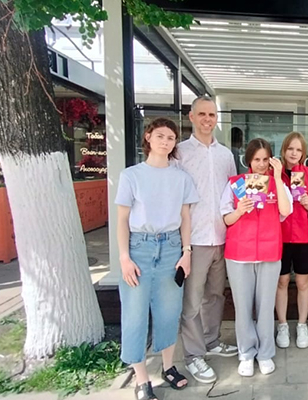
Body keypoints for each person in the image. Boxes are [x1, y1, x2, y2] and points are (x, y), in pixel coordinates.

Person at [115, 118, 199, 400]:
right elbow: (122, 219)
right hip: (139, 247)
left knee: (169, 312)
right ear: (148, 137)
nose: (165, 141)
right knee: (135, 313)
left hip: (172, 246)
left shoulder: (181, 177)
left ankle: (168, 366)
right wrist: (124, 257)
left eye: (171, 138)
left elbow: (185, 217)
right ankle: (141, 379)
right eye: (160, 136)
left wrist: (186, 252)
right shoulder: (131, 175)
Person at [175, 96, 238, 385]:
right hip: (194, 238)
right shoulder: (180, 152)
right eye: (202, 114)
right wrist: (183, 244)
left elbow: (234, 194)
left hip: (223, 237)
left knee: (215, 295)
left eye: (211, 114)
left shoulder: (226, 155)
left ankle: (211, 341)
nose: (207, 119)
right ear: (191, 117)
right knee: (192, 301)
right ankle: (193, 355)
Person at [220, 138, 293, 377]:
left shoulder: (277, 184)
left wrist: (279, 177)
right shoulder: (236, 184)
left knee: (265, 306)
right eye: (256, 159)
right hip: (239, 253)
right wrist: (239, 210)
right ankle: (246, 353)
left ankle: (265, 353)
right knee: (242, 307)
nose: (261, 164)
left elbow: (285, 211)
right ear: (248, 160)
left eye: (265, 159)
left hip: (269, 252)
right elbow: (226, 219)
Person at [275, 132, 308, 349]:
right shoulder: (274, 174)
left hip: (304, 236)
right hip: (279, 236)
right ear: (284, 150)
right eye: (290, 148)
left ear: (304, 153)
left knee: (303, 282)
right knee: (281, 281)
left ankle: (302, 324)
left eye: (298, 149)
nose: (294, 153)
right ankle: (282, 324)